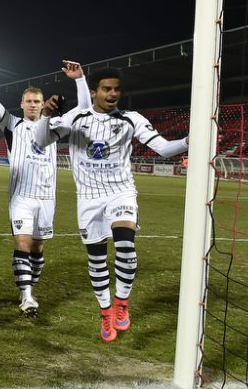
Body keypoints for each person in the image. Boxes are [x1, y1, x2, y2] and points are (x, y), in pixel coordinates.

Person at [34, 66, 188, 341]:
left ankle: (122, 304)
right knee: (97, 260)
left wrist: (191, 141)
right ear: (93, 92)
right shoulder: (76, 118)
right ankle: (105, 311)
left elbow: (163, 148)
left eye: (116, 89)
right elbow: (41, 140)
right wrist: (45, 115)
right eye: (106, 89)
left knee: (126, 246)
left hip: (121, 191)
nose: (113, 93)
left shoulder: (132, 119)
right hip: (89, 198)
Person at [0, 57, 90, 316]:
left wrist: (81, 80)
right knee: (24, 243)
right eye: (28, 101)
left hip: (46, 198)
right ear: (22, 104)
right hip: (21, 197)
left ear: (42, 104)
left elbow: (84, 110)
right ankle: (27, 296)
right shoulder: (12, 125)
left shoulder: (55, 125)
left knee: (38, 248)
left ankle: (27, 285)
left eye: (36, 101)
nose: (32, 105)